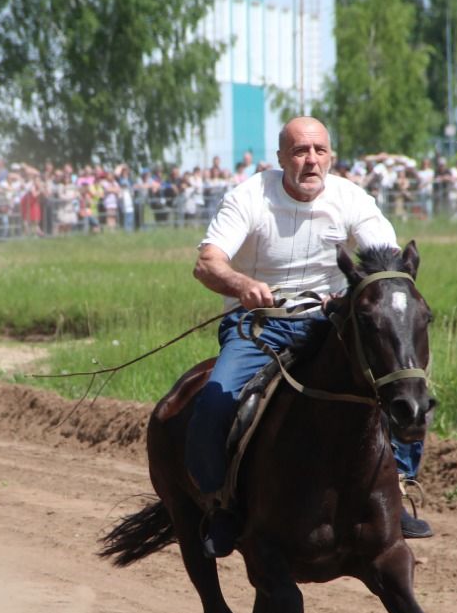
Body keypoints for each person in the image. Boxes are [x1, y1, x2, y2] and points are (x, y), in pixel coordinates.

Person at [186, 116, 434, 559]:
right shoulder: (248, 197)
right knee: (215, 404)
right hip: (258, 326)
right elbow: (207, 263)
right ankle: (221, 505)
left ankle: (398, 484)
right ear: (280, 158)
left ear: (331, 157)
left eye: (319, 150)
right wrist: (242, 286)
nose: (311, 160)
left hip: (326, 325)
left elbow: (388, 262)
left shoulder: (352, 199)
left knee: (397, 380)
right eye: (300, 151)